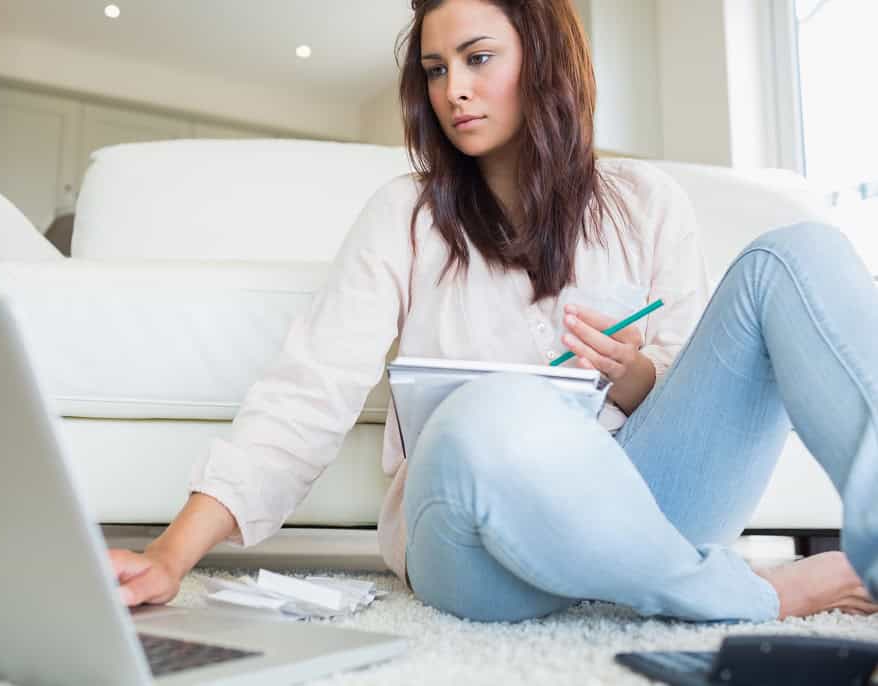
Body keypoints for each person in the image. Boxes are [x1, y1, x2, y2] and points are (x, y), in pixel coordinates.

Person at [109, 0, 878, 622]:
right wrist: (171, 555)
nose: (453, 90)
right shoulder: (405, 215)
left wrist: (634, 375)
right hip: (474, 542)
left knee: (795, 254)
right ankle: (748, 594)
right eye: (436, 69)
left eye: (478, 58)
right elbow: (308, 392)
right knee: (492, 408)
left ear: (543, 59)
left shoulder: (649, 201)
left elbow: (692, 393)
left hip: (644, 504)